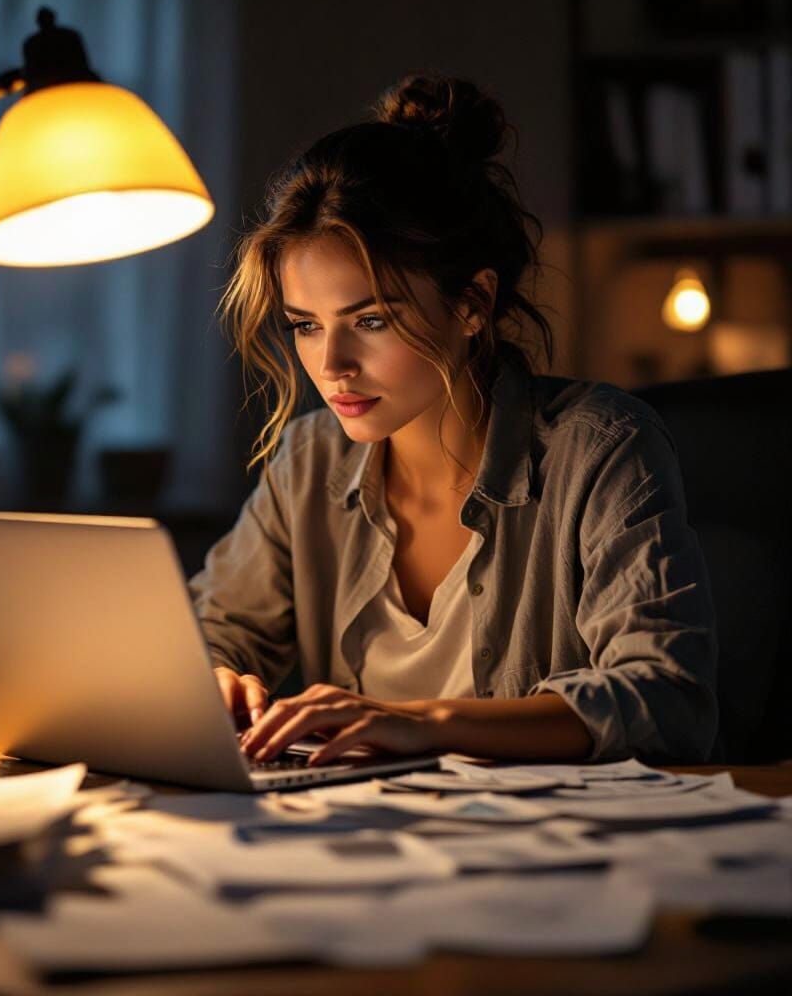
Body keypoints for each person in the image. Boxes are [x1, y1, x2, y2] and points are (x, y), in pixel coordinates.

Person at [188, 74, 718, 768]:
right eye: (305, 326)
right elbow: (209, 633)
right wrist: (210, 677)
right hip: (358, 845)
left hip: (545, 855)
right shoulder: (310, 459)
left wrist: (425, 722)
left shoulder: (602, 448)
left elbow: (667, 698)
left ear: (472, 303)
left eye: (370, 320)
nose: (332, 364)